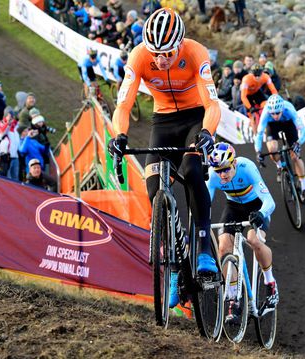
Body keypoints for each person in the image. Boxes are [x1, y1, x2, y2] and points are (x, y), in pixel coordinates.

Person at [107, 7, 221, 308]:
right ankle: (172, 267)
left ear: (180, 44)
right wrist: (119, 136)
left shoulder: (196, 53)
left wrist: (207, 133)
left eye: (167, 53)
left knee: (193, 170)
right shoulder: (138, 56)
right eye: (155, 53)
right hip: (163, 121)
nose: (160, 60)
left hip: (195, 117)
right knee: (155, 185)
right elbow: (123, 103)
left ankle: (204, 248)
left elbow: (212, 104)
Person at [206, 142, 278, 323]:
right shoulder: (214, 175)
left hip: (256, 206)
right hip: (233, 207)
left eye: (226, 170)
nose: (222, 174)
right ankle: (233, 298)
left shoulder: (247, 168)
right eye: (218, 170)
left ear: (234, 164)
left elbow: (269, 200)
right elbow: (205, 203)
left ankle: (270, 284)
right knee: (223, 248)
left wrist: (262, 214)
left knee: (254, 240)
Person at [255, 94, 305, 201]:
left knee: (295, 156)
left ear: (282, 109)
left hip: (288, 124)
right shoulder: (266, 113)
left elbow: (304, 132)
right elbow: (259, 134)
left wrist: (298, 143)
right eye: (273, 113)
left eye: (277, 113)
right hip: (272, 126)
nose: (275, 115)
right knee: (272, 150)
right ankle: (279, 166)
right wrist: (258, 151)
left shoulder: (289, 109)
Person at [240, 63, 277, 133]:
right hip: (247, 95)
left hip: (257, 92)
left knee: (266, 106)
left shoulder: (266, 77)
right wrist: (250, 107)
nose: (257, 77)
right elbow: (243, 97)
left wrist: (275, 99)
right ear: (251, 74)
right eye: (255, 75)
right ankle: (255, 133)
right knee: (252, 115)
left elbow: (273, 90)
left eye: (259, 75)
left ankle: (269, 127)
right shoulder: (246, 79)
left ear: (262, 73)